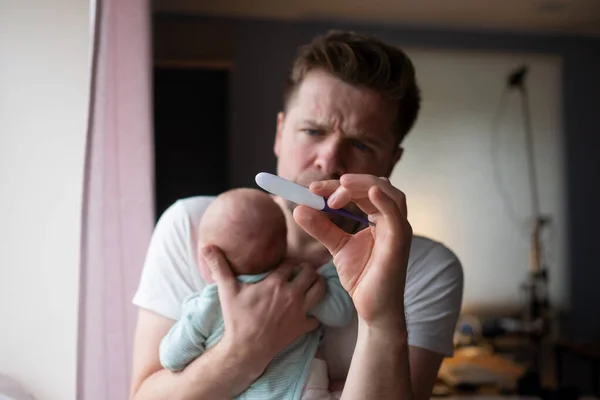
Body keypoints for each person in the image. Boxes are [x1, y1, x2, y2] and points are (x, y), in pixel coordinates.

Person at [129, 30, 464, 400]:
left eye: (361, 143)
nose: (330, 159)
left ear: (391, 161)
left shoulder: (427, 269)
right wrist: (244, 350)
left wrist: (382, 322)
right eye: (312, 130)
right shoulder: (193, 226)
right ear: (279, 133)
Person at [158, 188, 353, 399]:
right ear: (284, 247)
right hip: (303, 390)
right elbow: (339, 313)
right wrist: (338, 261)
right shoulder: (297, 286)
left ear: (207, 256)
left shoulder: (206, 305)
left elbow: (172, 358)